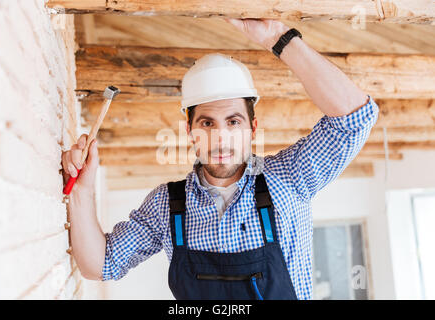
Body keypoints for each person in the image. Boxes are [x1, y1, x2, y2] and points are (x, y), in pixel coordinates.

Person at [61, 18, 379, 300]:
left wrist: (278, 37)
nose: (221, 137)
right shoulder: (166, 206)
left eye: (233, 121)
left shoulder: (289, 177)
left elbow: (356, 118)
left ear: (253, 128)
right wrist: (82, 190)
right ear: (190, 130)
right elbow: (99, 264)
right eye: (207, 123)